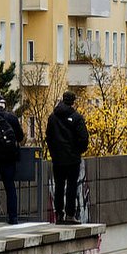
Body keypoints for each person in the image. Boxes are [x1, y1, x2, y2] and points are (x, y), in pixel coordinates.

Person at [46, 91, 90, 225]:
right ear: (73, 101)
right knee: (72, 186)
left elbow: (49, 137)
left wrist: (54, 153)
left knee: (59, 185)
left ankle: (59, 214)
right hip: (72, 159)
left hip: (58, 158)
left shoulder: (53, 117)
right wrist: (77, 151)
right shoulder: (77, 117)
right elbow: (84, 138)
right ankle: (70, 214)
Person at [0, 95, 25, 225]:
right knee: (10, 187)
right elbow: (20, 137)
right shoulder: (12, 117)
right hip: (9, 157)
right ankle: (13, 217)